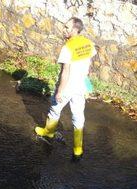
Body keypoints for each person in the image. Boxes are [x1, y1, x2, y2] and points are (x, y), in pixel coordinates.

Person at [35, 17, 96, 160]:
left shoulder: (67, 47)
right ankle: (77, 149)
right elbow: (89, 64)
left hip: (68, 86)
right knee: (78, 116)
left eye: (67, 27)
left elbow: (65, 72)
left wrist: (60, 91)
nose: (64, 29)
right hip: (81, 85)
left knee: (55, 109)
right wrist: (87, 83)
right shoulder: (88, 43)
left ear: (75, 29)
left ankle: (48, 133)